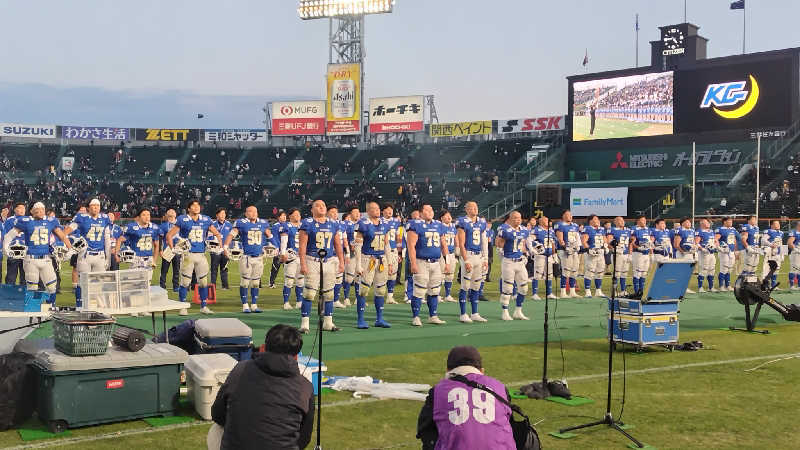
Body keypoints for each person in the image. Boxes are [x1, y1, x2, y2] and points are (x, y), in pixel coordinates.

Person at [211, 324, 313, 450]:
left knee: (216, 430)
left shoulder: (240, 369)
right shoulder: (305, 387)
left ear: (263, 348)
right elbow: (304, 436)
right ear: (296, 356)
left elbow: (217, 414)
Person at [417, 346, 516, 450]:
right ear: (482, 370)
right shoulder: (499, 387)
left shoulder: (438, 390)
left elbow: (424, 430)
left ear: (448, 370)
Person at [3, 202, 72, 304]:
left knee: (52, 285)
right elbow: (9, 235)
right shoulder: (25, 221)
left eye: (42, 209)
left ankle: (51, 307)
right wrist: (6, 247)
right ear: (32, 211)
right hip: (31, 259)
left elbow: (62, 236)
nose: (40, 212)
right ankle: (33, 310)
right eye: (37, 210)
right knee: (32, 286)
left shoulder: (50, 221)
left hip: (46, 258)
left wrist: (70, 248)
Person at [165, 200, 223, 315]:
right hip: (187, 255)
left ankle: (203, 306)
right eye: (193, 206)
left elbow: (217, 233)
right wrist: (172, 248)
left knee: (203, 282)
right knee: (185, 282)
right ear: (189, 208)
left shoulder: (206, 219)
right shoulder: (183, 219)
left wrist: (220, 243)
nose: (196, 207)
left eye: (198, 205)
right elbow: (169, 235)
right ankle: (182, 306)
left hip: (201, 254)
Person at [298, 200, 345, 333]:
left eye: (323, 205)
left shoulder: (333, 223)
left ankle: (328, 323)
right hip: (312, 260)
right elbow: (302, 246)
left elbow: (337, 245)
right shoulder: (307, 223)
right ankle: (305, 324)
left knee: (329, 294)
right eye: (318, 206)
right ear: (312, 210)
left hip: (329, 261)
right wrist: (303, 263)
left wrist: (341, 261)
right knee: (309, 293)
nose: (321, 208)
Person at [63, 199, 113, 307]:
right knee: (82, 283)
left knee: (99, 283)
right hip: (85, 255)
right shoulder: (82, 217)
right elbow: (66, 232)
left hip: (100, 255)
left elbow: (107, 239)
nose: (96, 207)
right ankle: (80, 305)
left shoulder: (105, 218)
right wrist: (71, 247)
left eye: (98, 205)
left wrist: (108, 258)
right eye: (93, 205)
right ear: (88, 207)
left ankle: (99, 307)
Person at [407, 204, 449, 326]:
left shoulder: (438, 225)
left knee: (435, 291)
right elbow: (411, 246)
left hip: (436, 262)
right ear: (420, 213)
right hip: (421, 261)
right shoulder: (415, 224)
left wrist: (447, 262)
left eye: (431, 210)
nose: (430, 212)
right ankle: (415, 317)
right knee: (419, 291)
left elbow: (443, 244)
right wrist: (413, 263)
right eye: (427, 210)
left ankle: (433, 315)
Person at [224, 206, 271, 313]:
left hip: (259, 257)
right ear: (246, 213)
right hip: (246, 257)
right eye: (250, 211)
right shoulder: (241, 223)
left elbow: (270, 235)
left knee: (255, 283)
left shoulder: (263, 223)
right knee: (245, 282)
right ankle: (245, 304)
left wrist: (277, 246)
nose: (253, 213)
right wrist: (226, 246)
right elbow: (231, 234)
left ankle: (254, 304)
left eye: (255, 211)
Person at [354, 201, 392, 329]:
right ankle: (360, 319)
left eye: (378, 208)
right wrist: (358, 265)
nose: (376, 210)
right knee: (363, 290)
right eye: (373, 209)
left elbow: (386, 244)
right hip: (367, 259)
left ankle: (379, 318)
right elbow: (358, 246)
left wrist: (390, 261)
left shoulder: (384, 223)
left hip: (381, 259)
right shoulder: (363, 224)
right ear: (368, 211)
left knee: (381, 290)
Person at [455, 202, 488, 323]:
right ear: (466, 209)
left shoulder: (482, 222)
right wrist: (465, 259)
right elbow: (461, 243)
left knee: (476, 286)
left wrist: (485, 258)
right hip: (468, 254)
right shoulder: (462, 221)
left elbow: (484, 242)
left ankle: (475, 313)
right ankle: (463, 313)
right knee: (465, 285)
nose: (474, 209)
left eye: (476, 207)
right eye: (471, 207)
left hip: (479, 256)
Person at [495, 211, 530, 320]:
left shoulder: (524, 230)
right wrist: (501, 241)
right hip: (509, 261)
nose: (518, 220)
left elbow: (522, 244)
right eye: (515, 218)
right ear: (509, 219)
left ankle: (518, 311)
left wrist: (527, 252)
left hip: (520, 261)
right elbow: (498, 243)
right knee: (508, 288)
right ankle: (505, 311)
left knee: (524, 288)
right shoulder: (505, 229)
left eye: (519, 217)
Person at [279, 208, 305, 311]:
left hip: (301, 256)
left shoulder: (303, 226)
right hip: (291, 255)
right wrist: (283, 252)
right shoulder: (287, 226)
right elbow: (284, 240)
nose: (298, 216)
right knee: (289, 281)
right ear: (290, 216)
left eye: (299, 214)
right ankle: (286, 302)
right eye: (295, 214)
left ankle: (299, 302)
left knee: (300, 281)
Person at [529, 215, 557, 300]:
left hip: (549, 256)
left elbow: (553, 243)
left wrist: (554, 253)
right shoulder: (536, 230)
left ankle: (549, 293)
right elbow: (530, 240)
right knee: (537, 274)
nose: (548, 221)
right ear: (541, 221)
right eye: (546, 220)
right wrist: (538, 247)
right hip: (540, 255)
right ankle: (534, 294)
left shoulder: (551, 231)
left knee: (549, 275)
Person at [555, 210, 581, 298]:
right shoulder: (560, 224)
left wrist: (578, 246)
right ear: (563, 216)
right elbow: (560, 239)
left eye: (570, 215)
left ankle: (572, 291)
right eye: (567, 215)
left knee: (574, 270)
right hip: (564, 250)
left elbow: (577, 238)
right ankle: (563, 292)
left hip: (574, 250)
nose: (569, 216)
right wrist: (566, 246)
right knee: (566, 270)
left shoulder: (575, 225)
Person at [382, 203, 401, 304]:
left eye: (391, 209)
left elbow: (398, 238)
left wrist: (399, 252)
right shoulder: (379, 221)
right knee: (381, 274)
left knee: (393, 274)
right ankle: (380, 295)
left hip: (393, 250)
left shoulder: (396, 222)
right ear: (383, 211)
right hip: (383, 251)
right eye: (387, 209)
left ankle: (390, 296)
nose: (390, 211)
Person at [4, 203, 27, 285]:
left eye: (24, 208)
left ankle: (23, 294)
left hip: (25, 250)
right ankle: (9, 294)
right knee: (11, 275)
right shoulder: (10, 220)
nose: (22, 210)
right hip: (13, 249)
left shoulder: (29, 219)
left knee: (25, 275)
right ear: (15, 209)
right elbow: (7, 235)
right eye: (20, 208)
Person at [209, 208, 232, 290]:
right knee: (214, 269)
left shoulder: (229, 225)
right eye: (221, 213)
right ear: (217, 215)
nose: (223, 215)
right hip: (215, 249)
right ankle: (213, 286)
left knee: (224, 268)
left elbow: (231, 237)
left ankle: (225, 286)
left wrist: (228, 248)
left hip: (225, 250)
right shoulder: (213, 224)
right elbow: (209, 236)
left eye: (224, 214)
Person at [341, 207, 360, 306]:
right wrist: (351, 245)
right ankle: (346, 298)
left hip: (361, 254)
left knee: (359, 276)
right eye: (355, 212)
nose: (358, 214)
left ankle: (358, 299)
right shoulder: (346, 224)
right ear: (350, 214)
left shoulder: (363, 223)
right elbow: (345, 238)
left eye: (359, 212)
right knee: (349, 277)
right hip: (351, 253)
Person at [608, 216, 633, 293]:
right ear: (615, 222)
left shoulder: (628, 230)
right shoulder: (612, 230)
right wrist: (613, 249)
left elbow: (630, 243)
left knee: (624, 273)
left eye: (622, 220)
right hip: (617, 254)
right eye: (619, 220)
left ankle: (623, 290)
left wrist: (630, 254)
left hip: (625, 254)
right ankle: (614, 291)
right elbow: (608, 241)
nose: (622, 222)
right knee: (617, 273)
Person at [158, 208, 181, 291]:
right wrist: (160, 250)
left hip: (178, 249)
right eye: (169, 212)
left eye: (173, 211)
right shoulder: (163, 225)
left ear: (175, 214)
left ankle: (176, 286)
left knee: (177, 269)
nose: (171, 213)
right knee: (164, 269)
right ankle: (162, 285)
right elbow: (160, 238)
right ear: (166, 215)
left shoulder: (180, 224)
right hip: (167, 249)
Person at [630, 215, 652, 295]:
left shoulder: (648, 229)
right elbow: (631, 242)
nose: (645, 221)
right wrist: (638, 247)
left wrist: (650, 250)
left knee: (644, 273)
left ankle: (641, 291)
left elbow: (649, 241)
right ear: (638, 221)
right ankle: (636, 291)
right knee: (637, 273)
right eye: (643, 220)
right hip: (638, 253)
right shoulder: (634, 229)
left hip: (646, 254)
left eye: (645, 220)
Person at [715, 217, 739, 291]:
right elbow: (715, 239)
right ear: (724, 222)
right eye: (729, 221)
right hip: (724, 252)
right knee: (724, 269)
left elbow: (734, 240)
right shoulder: (720, 229)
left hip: (731, 251)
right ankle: (721, 286)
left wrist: (736, 251)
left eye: (731, 221)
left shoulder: (733, 229)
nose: (731, 222)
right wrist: (719, 248)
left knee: (729, 269)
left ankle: (727, 285)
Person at [695, 218, 718, 293]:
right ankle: (700, 287)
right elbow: (696, 243)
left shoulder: (711, 231)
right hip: (704, 253)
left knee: (712, 269)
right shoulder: (699, 231)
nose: (708, 223)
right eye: (706, 222)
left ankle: (711, 287)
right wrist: (702, 249)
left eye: (708, 222)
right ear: (701, 223)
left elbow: (715, 241)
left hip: (711, 253)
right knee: (704, 269)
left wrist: (716, 246)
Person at [439, 210, 457, 302]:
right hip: (441, 253)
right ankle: (437, 294)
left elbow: (456, 239)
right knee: (441, 274)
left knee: (450, 274)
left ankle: (448, 295)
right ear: (442, 218)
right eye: (446, 216)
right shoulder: (439, 226)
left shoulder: (453, 227)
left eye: (449, 215)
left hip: (451, 253)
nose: (449, 217)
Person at [761, 220, 784, 289]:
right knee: (767, 269)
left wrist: (782, 254)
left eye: (779, 223)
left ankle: (773, 284)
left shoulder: (781, 233)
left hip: (777, 253)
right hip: (770, 253)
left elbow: (780, 244)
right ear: (772, 225)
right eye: (776, 224)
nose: (778, 225)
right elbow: (763, 240)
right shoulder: (769, 231)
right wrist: (770, 245)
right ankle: (765, 285)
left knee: (777, 269)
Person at [268, 210, 287, 288]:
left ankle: (288, 282)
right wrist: (278, 248)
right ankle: (271, 282)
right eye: (282, 215)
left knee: (287, 267)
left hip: (287, 250)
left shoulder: (287, 225)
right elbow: (275, 238)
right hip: (279, 250)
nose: (284, 217)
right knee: (276, 266)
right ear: (278, 217)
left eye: (285, 215)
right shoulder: (276, 226)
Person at [739, 215, 761, 280]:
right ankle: (740, 283)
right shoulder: (746, 227)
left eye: (755, 219)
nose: (755, 221)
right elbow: (743, 239)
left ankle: (750, 283)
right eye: (753, 219)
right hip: (749, 249)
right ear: (749, 220)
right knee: (747, 267)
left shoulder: (756, 228)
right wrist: (747, 247)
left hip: (756, 249)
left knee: (754, 267)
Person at [788, 221, 800, 290]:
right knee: (794, 268)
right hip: (795, 253)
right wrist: (796, 250)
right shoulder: (794, 232)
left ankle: (799, 285)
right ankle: (791, 286)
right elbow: (790, 243)